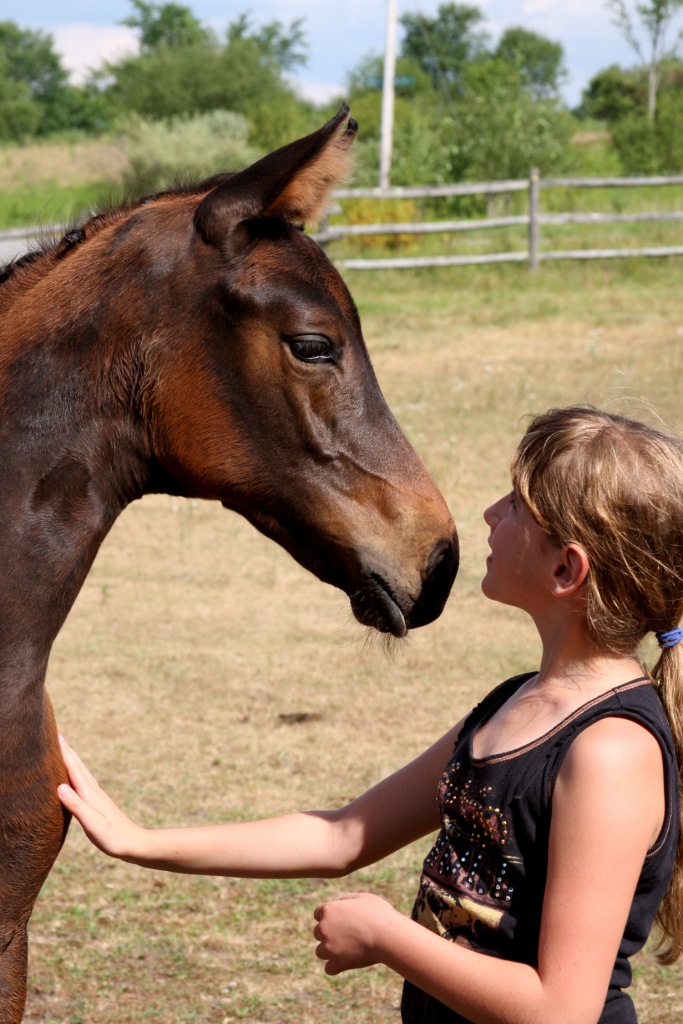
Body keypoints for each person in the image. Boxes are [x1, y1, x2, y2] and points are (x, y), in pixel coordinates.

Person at [58, 405, 683, 1024]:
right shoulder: (515, 704)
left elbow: (560, 1010)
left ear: (566, 568)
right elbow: (342, 835)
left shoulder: (610, 753)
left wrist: (389, 938)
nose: (491, 514)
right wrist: (139, 841)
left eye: (516, 505)